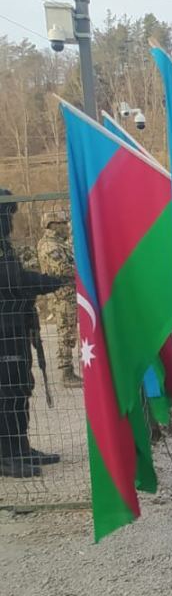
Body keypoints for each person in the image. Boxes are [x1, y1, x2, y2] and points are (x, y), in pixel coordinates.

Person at [0, 190, 67, 478]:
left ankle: (20, 446)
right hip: (4, 334)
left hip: (15, 328)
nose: (11, 221)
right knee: (7, 394)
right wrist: (54, 281)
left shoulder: (5, 246)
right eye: (8, 214)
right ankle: (7, 455)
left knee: (21, 387)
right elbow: (14, 280)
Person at [35, 212, 80, 387]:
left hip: (68, 294)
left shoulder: (60, 244)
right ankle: (66, 373)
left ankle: (69, 371)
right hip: (61, 296)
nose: (66, 227)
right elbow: (62, 268)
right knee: (65, 332)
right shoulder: (49, 245)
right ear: (53, 225)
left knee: (69, 331)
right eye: (63, 223)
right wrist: (82, 269)